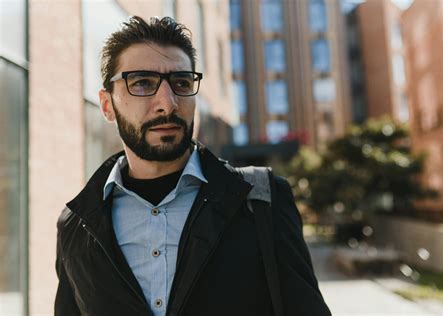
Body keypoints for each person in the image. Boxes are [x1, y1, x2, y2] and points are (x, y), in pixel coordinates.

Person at [55, 16, 331, 316]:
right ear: (107, 105)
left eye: (181, 83)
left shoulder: (263, 200)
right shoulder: (75, 224)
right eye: (143, 83)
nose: (168, 102)